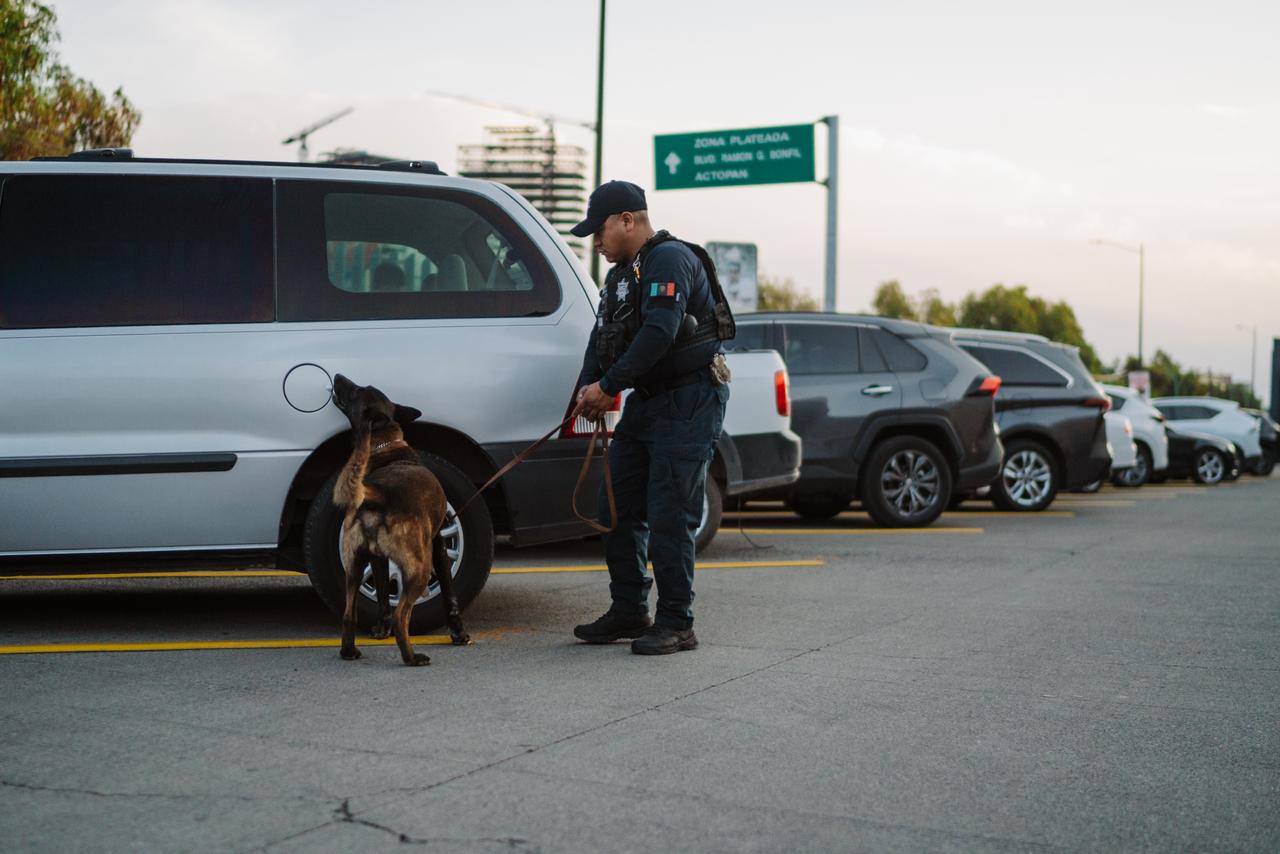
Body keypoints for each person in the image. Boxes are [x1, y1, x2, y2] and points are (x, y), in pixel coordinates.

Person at [569, 180, 730, 655]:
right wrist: (586, 388)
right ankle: (629, 610)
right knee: (614, 505)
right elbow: (602, 338)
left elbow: (660, 331)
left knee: (669, 513)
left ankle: (678, 622)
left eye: (599, 231)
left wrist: (609, 387)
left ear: (627, 220)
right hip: (648, 400)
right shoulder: (620, 275)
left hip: (690, 398)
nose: (595, 242)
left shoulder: (670, 259)